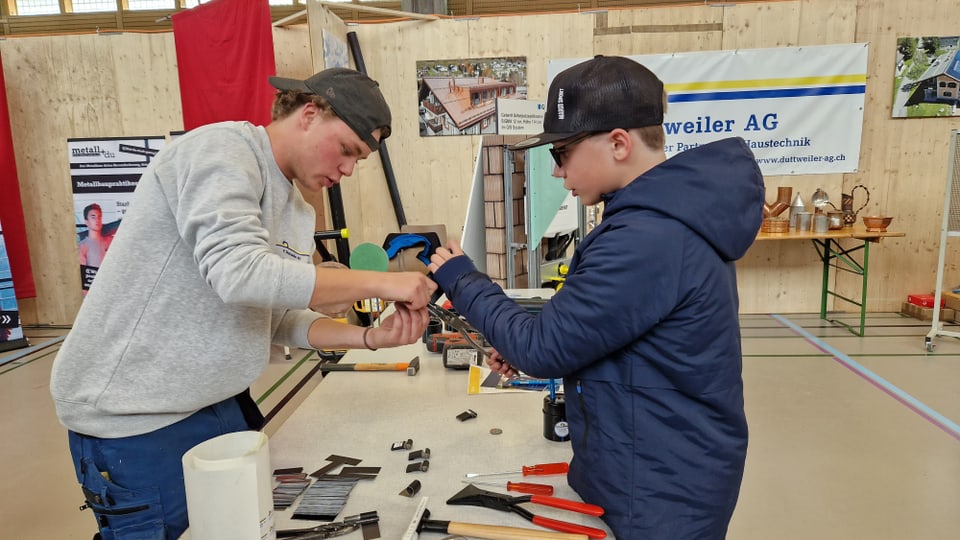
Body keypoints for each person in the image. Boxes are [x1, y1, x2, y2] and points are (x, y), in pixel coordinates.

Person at [50, 67, 436, 540]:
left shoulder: (296, 209)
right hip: (138, 417)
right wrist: (383, 284)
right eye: (348, 150)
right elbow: (239, 274)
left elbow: (276, 319)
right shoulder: (223, 151)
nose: (349, 169)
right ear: (310, 114)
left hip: (218, 402)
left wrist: (368, 337)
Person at [428, 56, 763, 539]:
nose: (557, 171)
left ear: (619, 143)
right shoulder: (657, 219)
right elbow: (609, 334)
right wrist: (536, 342)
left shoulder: (648, 235)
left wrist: (463, 280)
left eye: (561, 152)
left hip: (660, 491)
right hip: (650, 465)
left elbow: (543, 348)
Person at [78, 203, 113, 268]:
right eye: (93, 217)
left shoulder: (112, 241)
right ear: (86, 222)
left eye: (99, 217)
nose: (97, 220)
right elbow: (84, 274)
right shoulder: (82, 247)